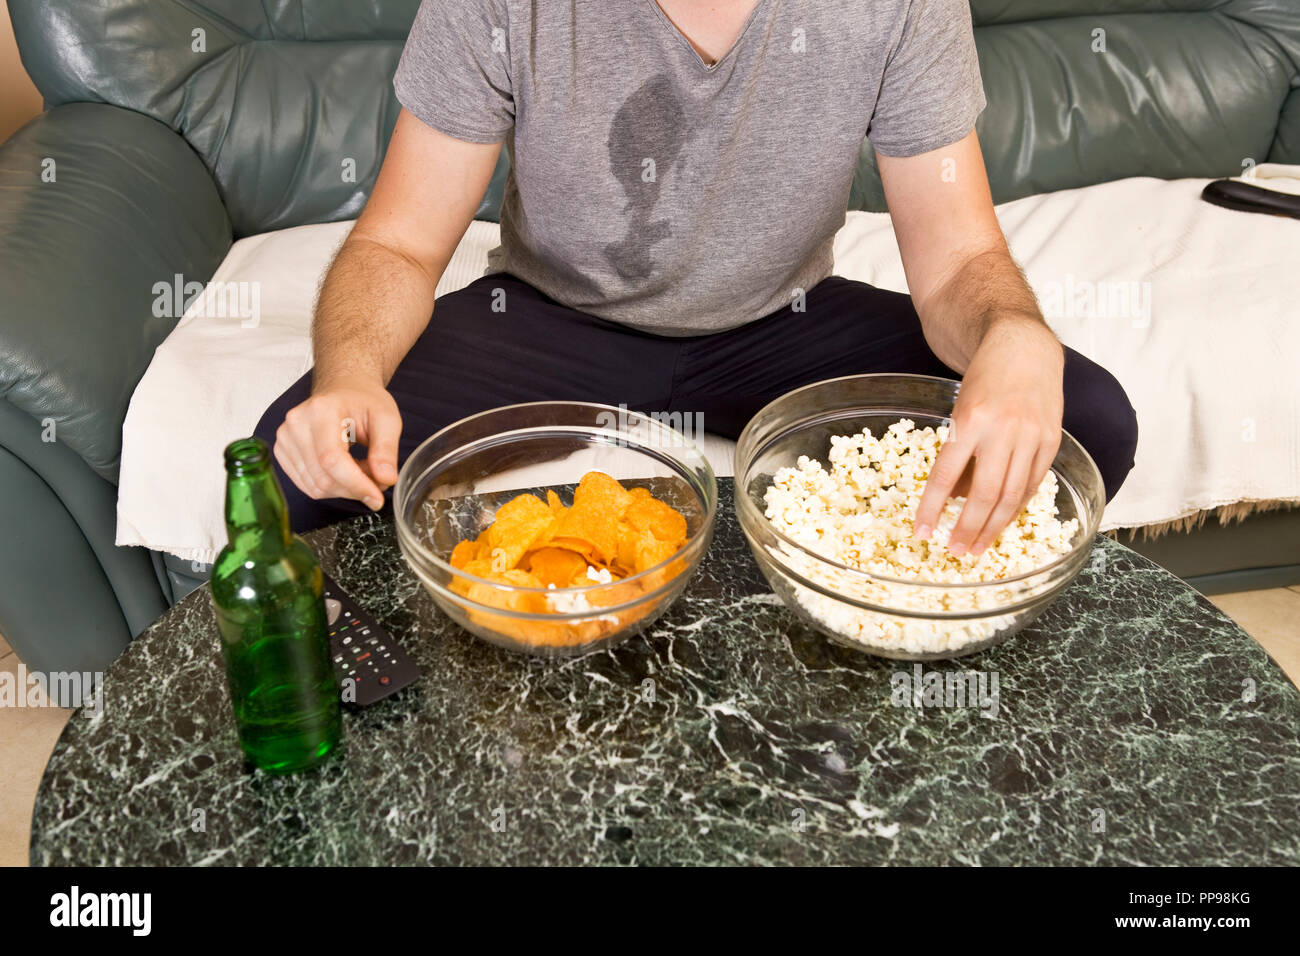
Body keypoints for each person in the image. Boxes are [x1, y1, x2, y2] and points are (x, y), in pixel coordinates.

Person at [256, 0, 1138, 558]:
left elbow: (957, 260)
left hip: (780, 322)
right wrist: (350, 377)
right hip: (552, 314)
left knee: (1083, 417)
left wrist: (1015, 335)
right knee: (295, 469)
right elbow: (399, 245)